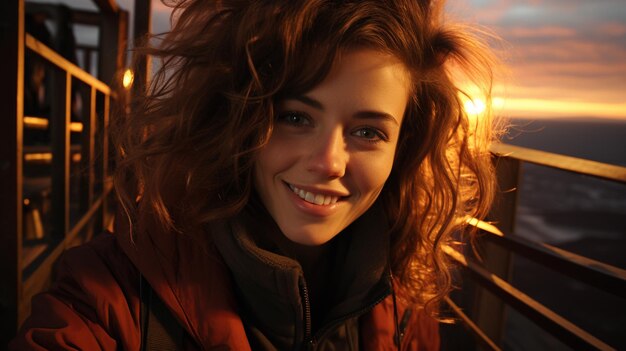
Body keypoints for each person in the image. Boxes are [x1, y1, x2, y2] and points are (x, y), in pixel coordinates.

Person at [12, 0, 500, 349]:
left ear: (404, 149)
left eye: (369, 132)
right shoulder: (114, 291)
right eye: (294, 118)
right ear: (236, 119)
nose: (329, 161)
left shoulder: (403, 308)